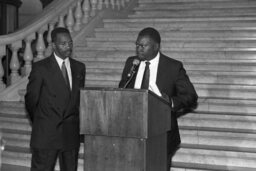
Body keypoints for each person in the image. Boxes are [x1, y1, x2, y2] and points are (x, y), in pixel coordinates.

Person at [119, 27, 198, 164]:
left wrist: (171, 102)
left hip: (162, 134)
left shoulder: (172, 67)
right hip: (133, 131)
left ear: (156, 46)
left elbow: (191, 96)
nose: (138, 49)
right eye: (137, 45)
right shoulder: (131, 63)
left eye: (143, 45)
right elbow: (122, 90)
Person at [25, 27, 85, 171]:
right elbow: (31, 100)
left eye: (70, 43)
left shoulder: (79, 67)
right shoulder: (40, 68)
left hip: (70, 134)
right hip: (47, 134)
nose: (68, 47)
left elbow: (77, 101)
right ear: (53, 45)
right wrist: (43, 121)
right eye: (63, 44)